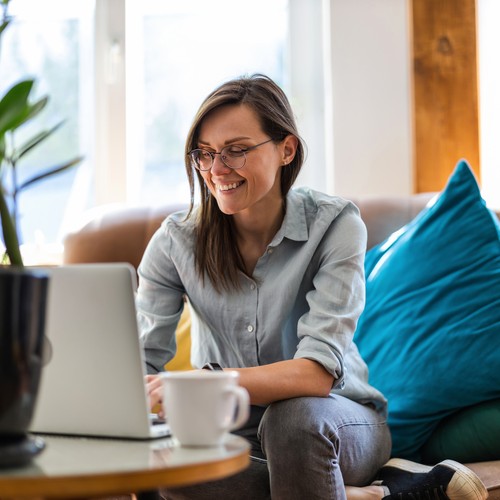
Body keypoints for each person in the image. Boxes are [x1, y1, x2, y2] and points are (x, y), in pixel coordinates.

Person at [137, 74, 487, 500]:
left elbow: (316, 374)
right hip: (228, 429)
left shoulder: (336, 225)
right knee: (163, 465)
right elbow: (140, 361)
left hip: (337, 420)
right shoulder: (176, 242)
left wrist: (209, 382)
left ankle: (336, 479)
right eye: (205, 154)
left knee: (292, 421)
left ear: (286, 149)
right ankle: (369, 492)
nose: (217, 170)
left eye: (236, 151)